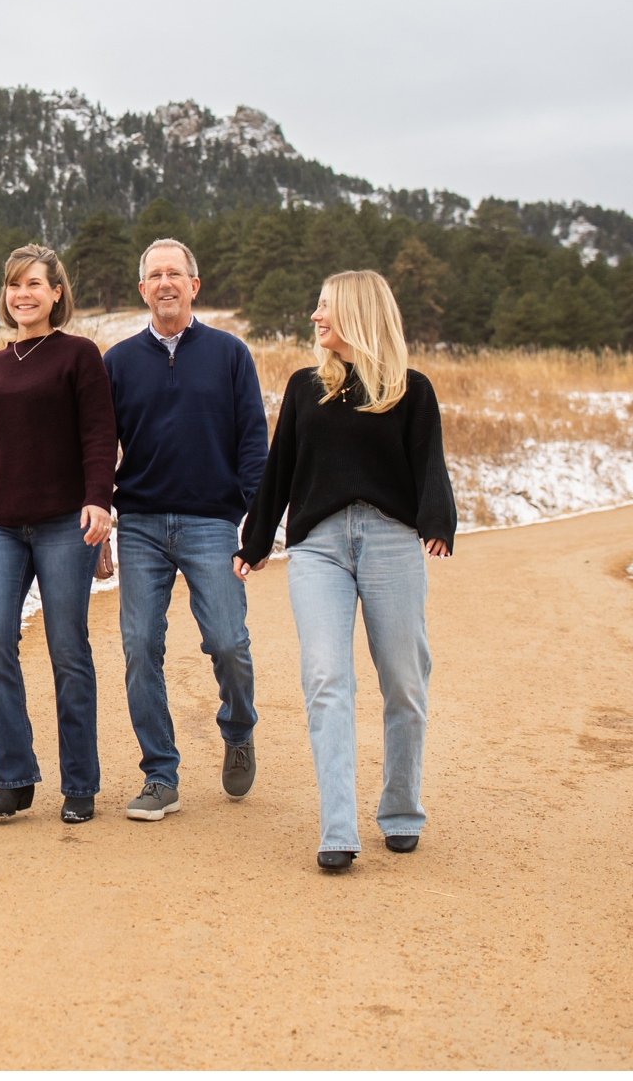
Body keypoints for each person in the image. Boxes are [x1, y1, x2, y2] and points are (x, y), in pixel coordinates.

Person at [238, 268, 456, 873]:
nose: (315, 316)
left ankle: (401, 809)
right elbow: (279, 470)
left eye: (325, 306)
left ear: (358, 313)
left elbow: (429, 464)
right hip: (319, 548)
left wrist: (438, 519)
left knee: (405, 681)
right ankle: (338, 827)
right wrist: (254, 541)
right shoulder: (306, 388)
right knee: (328, 679)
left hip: (391, 542)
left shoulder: (412, 390)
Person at [103, 238, 269, 823]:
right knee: (140, 645)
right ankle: (160, 774)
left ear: (194, 286)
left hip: (211, 522)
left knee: (228, 640)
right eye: (155, 275)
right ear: (142, 288)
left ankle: (239, 728)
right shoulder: (118, 362)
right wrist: (99, 514)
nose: (166, 283)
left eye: (176, 274)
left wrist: (251, 515)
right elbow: (99, 447)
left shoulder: (229, 353)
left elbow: (254, 439)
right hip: (141, 523)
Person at [0, 245, 118, 823]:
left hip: (62, 524)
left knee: (68, 648)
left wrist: (99, 501)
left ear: (56, 293)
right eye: (13, 286)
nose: (22, 295)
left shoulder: (79, 356)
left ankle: (80, 782)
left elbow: (100, 437)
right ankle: (15, 777)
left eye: (33, 285)